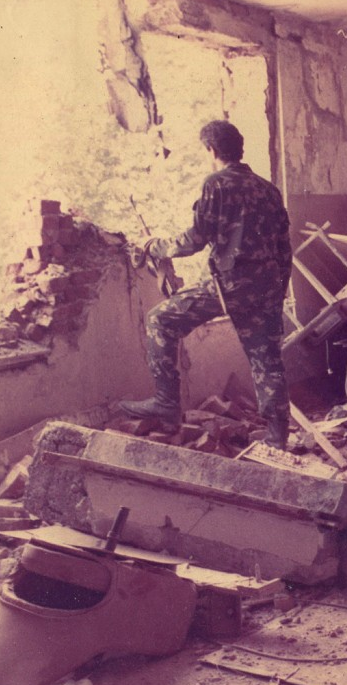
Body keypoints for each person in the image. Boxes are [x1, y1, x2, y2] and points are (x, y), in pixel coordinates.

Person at [120, 120, 293, 448]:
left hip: (231, 286)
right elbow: (285, 248)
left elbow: (196, 239)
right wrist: (278, 292)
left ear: (211, 150)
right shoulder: (269, 190)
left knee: (160, 320)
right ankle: (277, 437)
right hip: (267, 288)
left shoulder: (216, 183)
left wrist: (157, 247)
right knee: (268, 360)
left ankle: (167, 405)